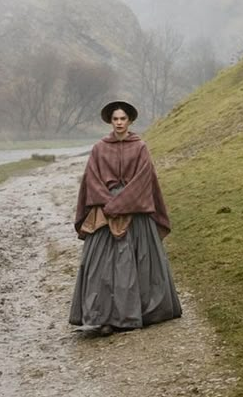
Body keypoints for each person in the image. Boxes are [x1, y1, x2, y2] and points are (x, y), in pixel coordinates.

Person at [69, 100, 182, 335]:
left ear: (129, 121)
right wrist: (108, 204)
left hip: (134, 209)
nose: (119, 123)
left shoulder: (140, 147)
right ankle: (102, 316)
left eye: (123, 119)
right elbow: (92, 178)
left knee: (138, 262)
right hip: (105, 207)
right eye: (115, 119)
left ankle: (138, 313)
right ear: (110, 122)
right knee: (101, 265)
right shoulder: (100, 148)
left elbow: (143, 179)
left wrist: (121, 204)